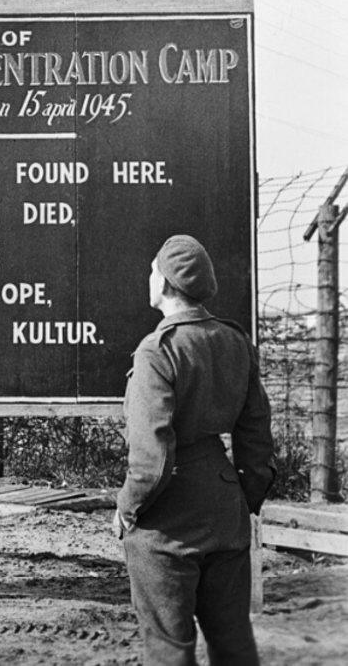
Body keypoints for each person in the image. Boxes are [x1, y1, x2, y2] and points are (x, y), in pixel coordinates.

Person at [114, 234, 275, 665]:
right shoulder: (236, 341)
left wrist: (127, 507)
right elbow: (256, 434)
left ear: (166, 283)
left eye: (152, 270)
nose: (148, 278)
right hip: (226, 508)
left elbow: (152, 460)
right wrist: (246, 498)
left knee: (169, 648)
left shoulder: (157, 351)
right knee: (234, 644)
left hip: (168, 521)